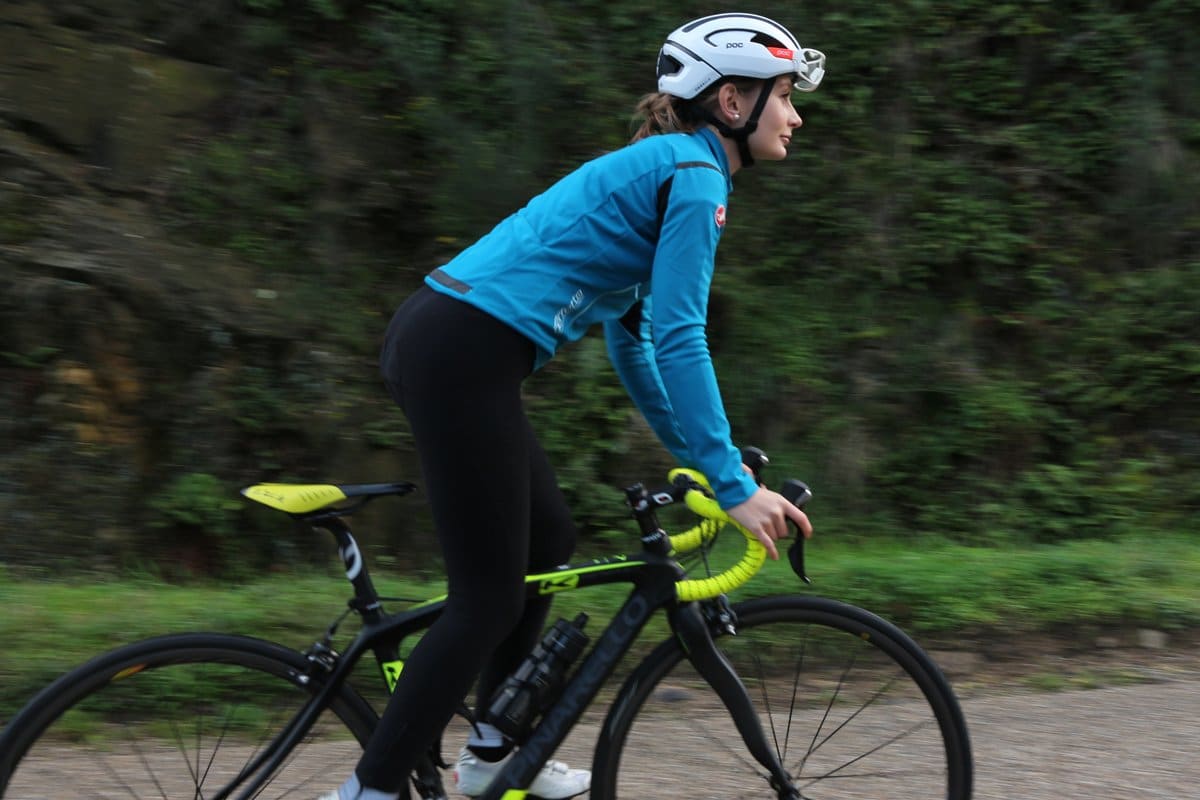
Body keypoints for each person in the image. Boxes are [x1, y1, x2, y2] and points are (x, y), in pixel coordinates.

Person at [319, 12, 824, 800]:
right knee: (486, 601)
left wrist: (697, 459)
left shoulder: (667, 167)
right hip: (461, 351)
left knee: (547, 536)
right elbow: (685, 338)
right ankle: (369, 791)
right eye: (785, 96)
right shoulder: (695, 178)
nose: (794, 116)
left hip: (452, 343)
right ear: (733, 102)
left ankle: (491, 752)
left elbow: (637, 342)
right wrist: (731, 484)